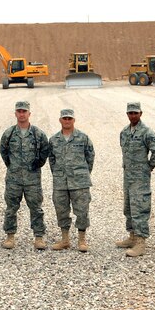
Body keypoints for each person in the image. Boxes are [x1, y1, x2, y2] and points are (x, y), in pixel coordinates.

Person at [114, 102, 155, 257]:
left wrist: (147, 167)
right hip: (128, 177)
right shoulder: (124, 132)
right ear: (127, 114)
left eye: (135, 113)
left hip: (140, 178)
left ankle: (141, 242)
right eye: (130, 113)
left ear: (141, 114)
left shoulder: (147, 133)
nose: (133, 116)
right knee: (128, 207)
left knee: (139, 208)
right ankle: (132, 236)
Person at [0, 100, 50, 250]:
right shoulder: (8, 134)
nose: (22, 114)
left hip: (32, 179)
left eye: (24, 111)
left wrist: (37, 165)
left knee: (36, 208)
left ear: (29, 114)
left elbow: (44, 152)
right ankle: (10, 236)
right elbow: (4, 152)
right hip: (13, 179)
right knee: (11, 208)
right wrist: (13, 167)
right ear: (15, 113)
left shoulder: (38, 134)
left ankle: (39, 237)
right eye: (19, 111)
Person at [49, 108, 95, 252]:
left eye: (70, 118)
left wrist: (83, 173)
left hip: (79, 182)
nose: (67, 121)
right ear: (60, 120)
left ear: (74, 120)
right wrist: (58, 174)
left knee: (82, 211)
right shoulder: (54, 140)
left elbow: (90, 157)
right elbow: (52, 160)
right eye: (65, 118)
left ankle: (82, 240)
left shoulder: (83, 138)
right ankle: (65, 240)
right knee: (61, 210)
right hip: (60, 182)